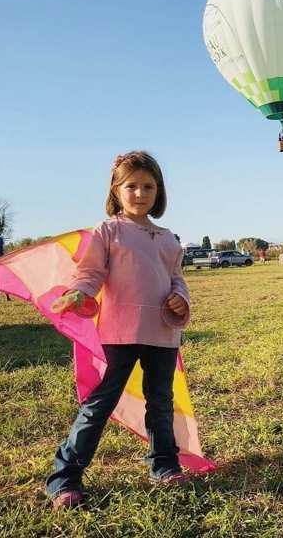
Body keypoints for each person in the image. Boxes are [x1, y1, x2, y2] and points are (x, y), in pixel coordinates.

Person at [46, 151, 191, 509]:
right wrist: (79, 293)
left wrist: (179, 299)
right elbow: (91, 273)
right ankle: (64, 477)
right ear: (116, 189)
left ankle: (165, 465)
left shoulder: (169, 239)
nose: (140, 193)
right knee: (99, 404)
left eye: (148, 186)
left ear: (159, 191)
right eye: (132, 186)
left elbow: (177, 280)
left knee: (160, 403)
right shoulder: (108, 231)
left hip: (161, 333)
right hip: (118, 334)